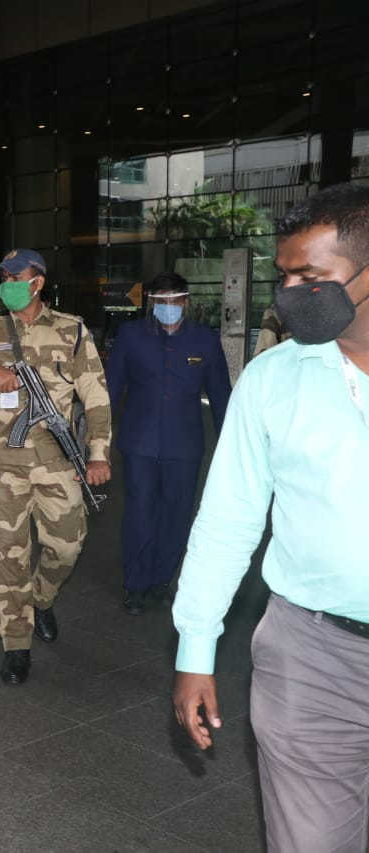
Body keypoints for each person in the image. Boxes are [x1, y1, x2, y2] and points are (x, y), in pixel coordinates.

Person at [172, 184, 369, 853]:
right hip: (313, 656)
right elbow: (227, 520)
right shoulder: (272, 378)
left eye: (310, 279)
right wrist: (195, 649)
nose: (289, 294)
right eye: (284, 276)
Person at [0, 248, 112, 685]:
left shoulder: (71, 330)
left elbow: (95, 397)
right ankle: (16, 644)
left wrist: (98, 453)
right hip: (4, 462)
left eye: (15, 277)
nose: (7, 285)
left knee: (67, 546)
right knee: (10, 554)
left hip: (57, 459)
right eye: (3, 278)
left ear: (37, 282)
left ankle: (41, 598)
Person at [105, 273, 230, 615]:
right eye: (161, 301)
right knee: (140, 513)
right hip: (139, 443)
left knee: (177, 514)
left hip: (184, 445)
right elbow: (111, 388)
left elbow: (221, 395)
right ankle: (135, 584)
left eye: (173, 300)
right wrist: (97, 439)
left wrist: (231, 446)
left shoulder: (205, 340)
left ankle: (161, 579)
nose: (167, 307)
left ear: (185, 302)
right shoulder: (131, 336)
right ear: (152, 304)